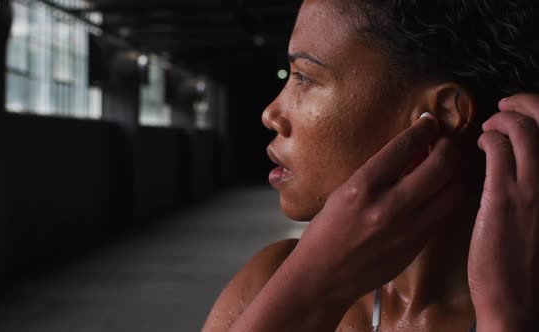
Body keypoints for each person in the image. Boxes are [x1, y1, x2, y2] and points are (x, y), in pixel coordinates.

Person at [203, 0, 539, 331]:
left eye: (304, 77)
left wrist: (504, 319)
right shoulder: (273, 280)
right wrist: (314, 283)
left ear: (441, 115)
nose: (270, 114)